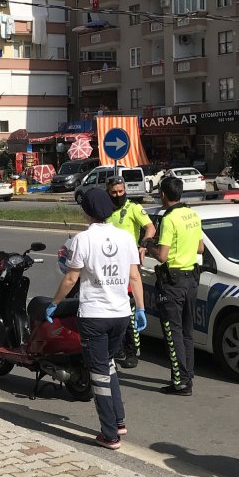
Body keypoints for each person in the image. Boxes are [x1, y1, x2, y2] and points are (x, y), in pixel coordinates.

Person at [46, 189, 145, 450]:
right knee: (109, 364)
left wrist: (54, 304)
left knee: (99, 373)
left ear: (86, 212)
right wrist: (142, 309)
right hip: (122, 314)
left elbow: (70, 278)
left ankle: (110, 434)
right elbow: (135, 277)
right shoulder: (125, 237)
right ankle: (119, 419)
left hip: (94, 315)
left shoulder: (82, 240)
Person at [152, 176, 203, 396]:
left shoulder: (169, 219)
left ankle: (181, 382)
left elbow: (162, 256)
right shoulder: (192, 214)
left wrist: (148, 245)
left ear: (163, 194)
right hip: (191, 279)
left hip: (172, 282)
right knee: (187, 332)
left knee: (173, 333)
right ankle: (188, 375)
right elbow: (200, 248)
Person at [105, 176, 155, 369]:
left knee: (130, 309)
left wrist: (144, 245)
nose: (118, 195)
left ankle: (132, 350)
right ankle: (116, 348)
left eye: (120, 191)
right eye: (114, 192)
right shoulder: (106, 211)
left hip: (129, 266)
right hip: (110, 266)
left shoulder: (133, 208)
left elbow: (150, 228)